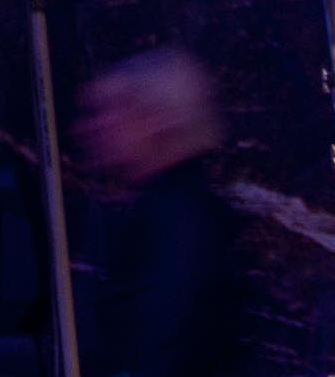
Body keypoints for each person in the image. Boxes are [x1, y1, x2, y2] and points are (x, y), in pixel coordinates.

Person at [66, 50, 251, 377]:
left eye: (110, 111)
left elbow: (161, 347)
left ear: (156, 119)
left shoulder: (182, 220)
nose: (90, 128)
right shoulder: (163, 209)